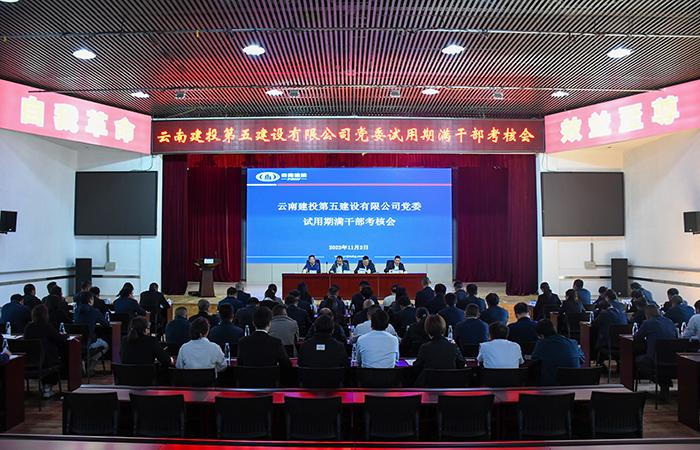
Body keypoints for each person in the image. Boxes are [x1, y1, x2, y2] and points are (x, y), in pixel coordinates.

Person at [23, 304, 67, 397]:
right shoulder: (47, 327)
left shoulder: (28, 327)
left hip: (28, 362)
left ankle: (45, 387)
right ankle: (47, 387)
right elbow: (60, 339)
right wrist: (65, 335)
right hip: (46, 361)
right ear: (46, 315)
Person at [634, 304, 678, 398]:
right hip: (672, 360)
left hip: (654, 359)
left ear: (646, 314)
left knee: (637, 360)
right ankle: (665, 384)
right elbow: (676, 337)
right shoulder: (669, 322)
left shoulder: (647, 323)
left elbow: (637, 338)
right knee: (661, 364)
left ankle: (660, 381)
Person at [413, 314, 465, 386]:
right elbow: (461, 364)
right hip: (450, 385)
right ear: (443, 327)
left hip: (429, 386)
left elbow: (416, 367)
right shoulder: (453, 347)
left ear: (427, 329)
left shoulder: (425, 347)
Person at [531, 319, 584, 385]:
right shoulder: (573, 343)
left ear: (541, 336)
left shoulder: (541, 344)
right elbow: (582, 359)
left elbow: (533, 362)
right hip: (574, 385)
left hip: (550, 386)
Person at [73, 291, 110, 374]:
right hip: (90, 341)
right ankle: (90, 368)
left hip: (77, 341)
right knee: (105, 345)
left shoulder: (76, 310)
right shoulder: (95, 311)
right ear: (90, 300)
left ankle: (83, 361)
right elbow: (106, 324)